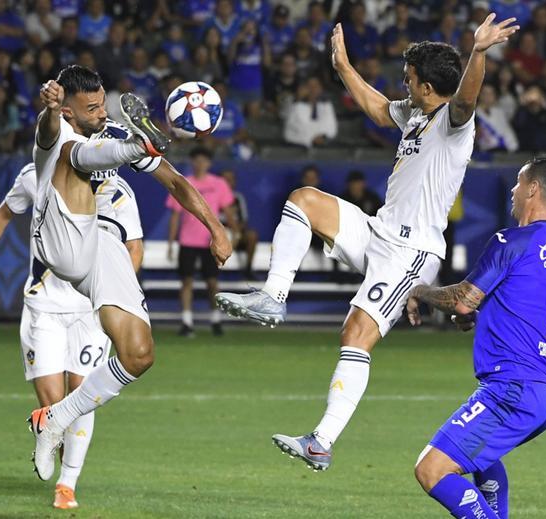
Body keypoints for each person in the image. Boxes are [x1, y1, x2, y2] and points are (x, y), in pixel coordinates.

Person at [216, 14, 518, 471]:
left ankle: (321, 441)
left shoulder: (454, 123)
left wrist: (477, 52)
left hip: (412, 253)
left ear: (428, 87)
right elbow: (379, 109)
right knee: (303, 201)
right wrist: (342, 66)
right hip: (379, 230)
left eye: (410, 78)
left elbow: (468, 98)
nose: (404, 83)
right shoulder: (416, 114)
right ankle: (273, 297)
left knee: (355, 334)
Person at [0, 65, 231, 482]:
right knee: (76, 158)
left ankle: (56, 420)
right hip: (60, 240)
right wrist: (59, 114)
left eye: (104, 104)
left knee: (139, 354)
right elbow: (68, 145)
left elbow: (175, 184)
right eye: (92, 108)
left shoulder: (112, 132)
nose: (103, 113)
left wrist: (215, 227)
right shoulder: (52, 132)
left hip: (100, 246)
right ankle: (144, 145)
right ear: (68, 111)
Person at [0, 159, 141, 508]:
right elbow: (2, 215)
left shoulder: (120, 194)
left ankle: (67, 484)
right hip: (43, 308)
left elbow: (134, 247)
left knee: (84, 395)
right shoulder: (36, 176)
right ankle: (48, 435)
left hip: (89, 312)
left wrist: (114, 290)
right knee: (53, 405)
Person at [408, 156, 546, 519]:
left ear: (532, 189)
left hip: (513, 386)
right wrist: (476, 315)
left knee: (431, 470)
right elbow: (507, 306)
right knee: (483, 458)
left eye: (518, 182)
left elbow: (463, 299)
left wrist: (420, 291)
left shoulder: (511, 240)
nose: (512, 191)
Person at [167, 147, 237, 337]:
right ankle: (186, 321)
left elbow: (229, 211)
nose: (200, 164)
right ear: (192, 162)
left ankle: (215, 319)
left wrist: (233, 234)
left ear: (209, 163)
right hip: (187, 240)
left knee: (212, 282)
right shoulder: (184, 182)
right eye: (197, 160)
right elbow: (175, 215)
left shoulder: (219, 184)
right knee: (186, 282)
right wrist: (171, 243)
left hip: (211, 241)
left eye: (203, 160)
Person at [220, 169, 258, 280]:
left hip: (235, 235)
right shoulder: (214, 196)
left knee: (252, 235)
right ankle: (208, 271)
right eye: (224, 180)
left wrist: (235, 233)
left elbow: (243, 221)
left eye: (230, 180)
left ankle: (248, 269)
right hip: (218, 236)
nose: (227, 182)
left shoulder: (237, 198)